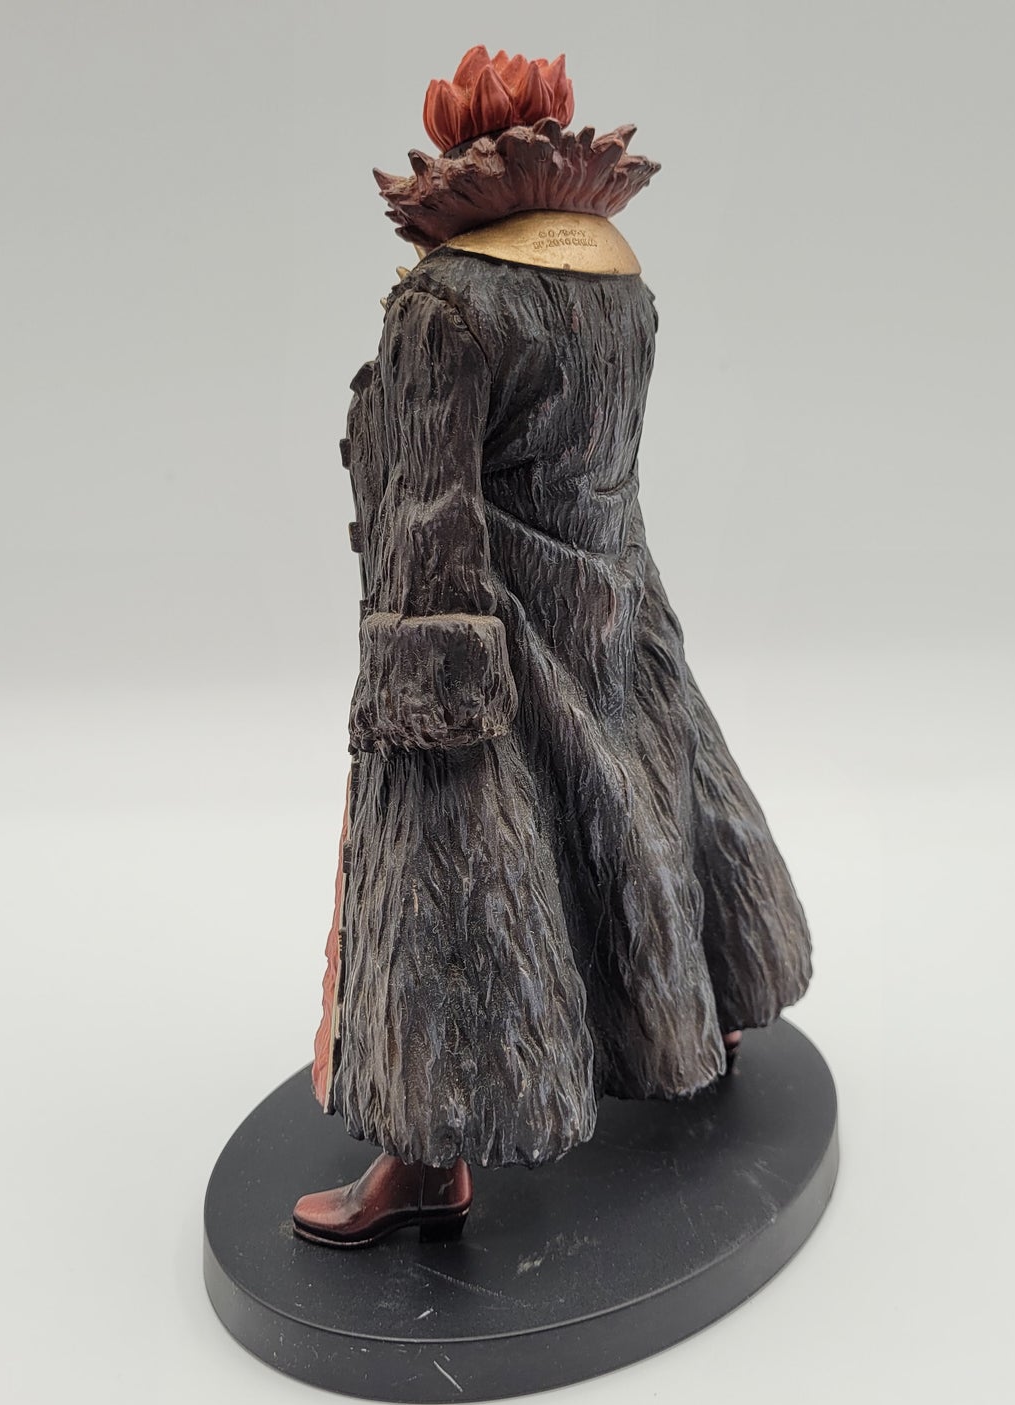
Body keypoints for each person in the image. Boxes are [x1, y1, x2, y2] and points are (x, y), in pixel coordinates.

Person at [294, 46, 812, 1248]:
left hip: (488, 628)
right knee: (648, 804)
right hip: (616, 604)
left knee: (454, 881)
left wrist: (417, 706)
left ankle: (425, 1155)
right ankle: (700, 1011)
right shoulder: (621, 287)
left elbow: (425, 518)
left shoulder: (442, 307)